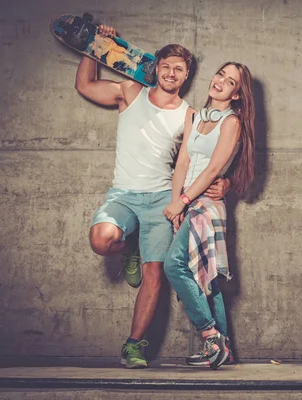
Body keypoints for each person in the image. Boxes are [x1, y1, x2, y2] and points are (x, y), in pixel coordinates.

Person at [75, 24, 229, 369]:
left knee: (154, 273)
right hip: (124, 195)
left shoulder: (189, 115)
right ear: (156, 68)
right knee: (102, 239)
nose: (172, 72)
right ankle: (128, 246)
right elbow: (84, 85)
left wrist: (226, 184)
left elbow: (204, 157)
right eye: (166, 66)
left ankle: (133, 346)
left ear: (186, 75)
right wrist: (95, 47)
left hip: (161, 200)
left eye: (179, 68)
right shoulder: (131, 92)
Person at [163, 62, 255, 369]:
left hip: (207, 205)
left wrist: (186, 199)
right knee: (206, 277)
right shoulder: (194, 115)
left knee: (174, 265)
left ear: (237, 94)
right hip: (188, 203)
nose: (220, 82)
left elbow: (214, 168)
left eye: (230, 82)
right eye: (220, 74)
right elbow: (183, 164)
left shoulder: (232, 121)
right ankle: (223, 351)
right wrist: (177, 203)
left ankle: (210, 335)